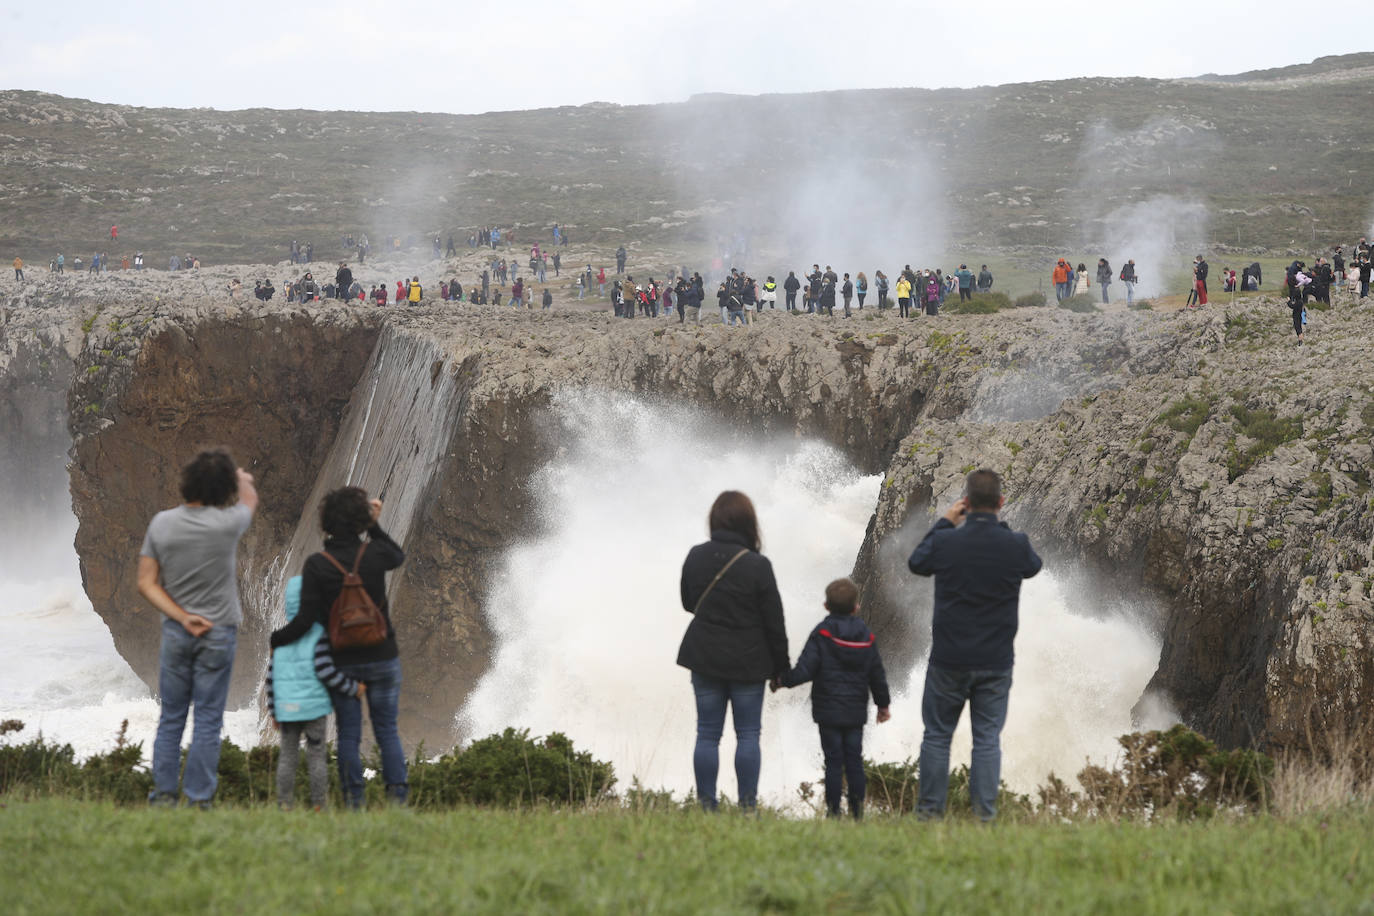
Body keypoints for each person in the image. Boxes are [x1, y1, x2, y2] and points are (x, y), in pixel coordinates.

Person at [907, 469, 1042, 821]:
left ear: (965, 503)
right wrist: (1002, 529)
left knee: (937, 736)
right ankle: (984, 817)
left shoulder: (947, 541)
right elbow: (1033, 566)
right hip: (995, 661)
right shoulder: (1014, 544)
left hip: (948, 658)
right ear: (1000, 502)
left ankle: (929, 814)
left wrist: (944, 523)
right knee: (986, 739)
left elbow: (917, 562)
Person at [270, 486, 407, 808]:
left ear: (326, 522)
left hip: (343, 660)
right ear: (360, 520)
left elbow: (305, 621)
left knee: (348, 734)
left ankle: (353, 801)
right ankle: (398, 800)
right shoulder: (374, 554)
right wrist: (373, 524)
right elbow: (397, 556)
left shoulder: (318, 564)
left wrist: (277, 641)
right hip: (384, 657)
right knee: (387, 730)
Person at [139, 449, 258, 808]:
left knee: (172, 716)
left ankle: (163, 796)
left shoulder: (161, 523)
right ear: (224, 488)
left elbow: (146, 583)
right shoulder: (227, 524)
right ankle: (199, 799)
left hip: (177, 634)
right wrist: (242, 480)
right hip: (219, 633)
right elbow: (249, 501)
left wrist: (182, 616)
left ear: (186, 481)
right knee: (207, 718)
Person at [678, 491, 790, 811]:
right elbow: (774, 622)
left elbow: (688, 602)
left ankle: (706, 807)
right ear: (749, 523)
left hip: (705, 657)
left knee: (708, 734)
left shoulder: (696, 555)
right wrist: (781, 668)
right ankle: (747, 808)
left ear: (714, 519)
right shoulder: (758, 565)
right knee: (749, 734)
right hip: (749, 661)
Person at [774, 577, 890, 820]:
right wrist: (883, 705)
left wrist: (781, 681)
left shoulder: (822, 634)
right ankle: (857, 814)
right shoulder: (866, 636)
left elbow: (805, 670)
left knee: (834, 762)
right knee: (854, 761)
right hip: (856, 711)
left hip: (828, 711)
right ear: (856, 607)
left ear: (826, 606)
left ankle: (833, 813)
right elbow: (877, 674)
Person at [266, 575, 364, 810]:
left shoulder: (281, 639)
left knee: (288, 757)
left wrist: (273, 710)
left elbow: (271, 678)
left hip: (287, 709)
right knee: (316, 755)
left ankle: (284, 804)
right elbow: (326, 671)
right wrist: (352, 688)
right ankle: (319, 804)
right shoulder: (320, 636)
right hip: (314, 710)